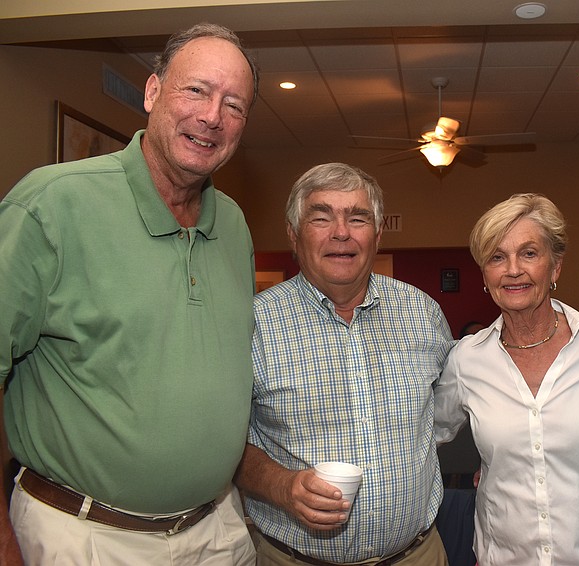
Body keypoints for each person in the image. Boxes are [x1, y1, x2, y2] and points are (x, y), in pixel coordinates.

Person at [0, 23, 259, 565]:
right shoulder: (52, 204)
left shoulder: (233, 224)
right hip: (87, 537)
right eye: (197, 90)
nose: (212, 116)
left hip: (215, 531)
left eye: (234, 105)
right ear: (152, 92)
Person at [234, 162, 454, 566]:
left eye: (357, 218)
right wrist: (283, 486)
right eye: (321, 217)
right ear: (293, 234)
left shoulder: (423, 313)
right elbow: (226, 447)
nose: (341, 232)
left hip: (417, 555)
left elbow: (445, 415)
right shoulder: (252, 325)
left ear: (378, 234)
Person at [434, 193, 579, 566]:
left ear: (555, 268)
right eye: (497, 257)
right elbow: (425, 437)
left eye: (528, 253)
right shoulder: (467, 359)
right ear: (485, 276)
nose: (513, 270)